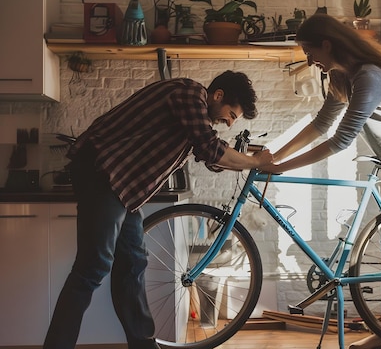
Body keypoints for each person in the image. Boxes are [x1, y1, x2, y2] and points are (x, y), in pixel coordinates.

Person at [43, 71, 273, 349]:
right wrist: (255, 162)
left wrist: (249, 159)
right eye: (231, 114)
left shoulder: (194, 114)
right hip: (102, 172)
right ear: (218, 95)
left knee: (132, 263)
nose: (229, 122)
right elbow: (212, 150)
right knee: (92, 267)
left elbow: (211, 157)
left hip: (120, 187)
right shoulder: (190, 94)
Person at [258, 14, 381, 349]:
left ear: (328, 45)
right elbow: (320, 125)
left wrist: (282, 168)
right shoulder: (342, 79)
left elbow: (340, 141)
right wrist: (274, 156)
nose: (309, 59)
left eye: (310, 51)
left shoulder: (369, 77)